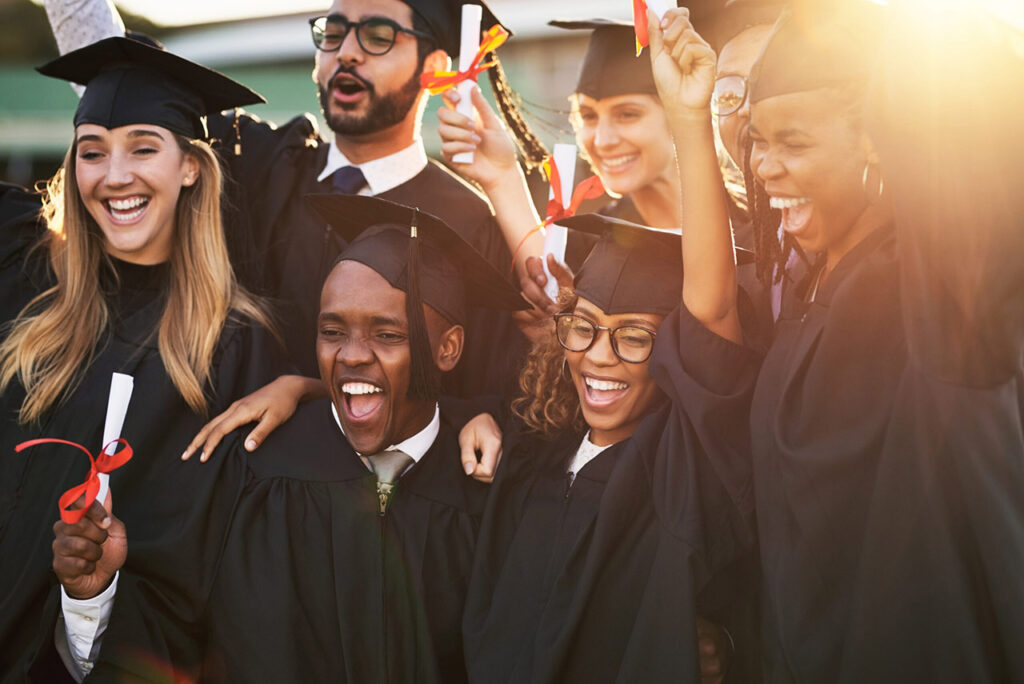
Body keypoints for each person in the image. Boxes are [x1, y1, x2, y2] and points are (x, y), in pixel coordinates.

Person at [659, 2, 1024, 681]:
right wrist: (686, 120)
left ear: (879, 142)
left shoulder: (921, 298)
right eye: (757, 141)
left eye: (793, 143)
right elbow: (713, 334)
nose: (764, 165)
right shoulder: (815, 288)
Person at [51, 194, 529, 682]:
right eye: (332, 331)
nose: (352, 356)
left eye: (388, 335)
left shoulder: (490, 493)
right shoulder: (250, 469)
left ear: (447, 349)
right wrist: (93, 596)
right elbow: (163, 637)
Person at [43, 0, 535, 399]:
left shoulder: (465, 220)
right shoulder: (258, 163)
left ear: (434, 68)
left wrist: (503, 178)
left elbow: (493, 388)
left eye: (378, 36)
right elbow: (130, 75)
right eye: (333, 32)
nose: (347, 52)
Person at [0, 37, 287, 680]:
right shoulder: (24, 283)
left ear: (190, 166)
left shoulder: (231, 348)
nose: (114, 175)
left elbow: (191, 581)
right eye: (93, 152)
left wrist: (88, 598)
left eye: (143, 147)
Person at [455, 211, 759, 683]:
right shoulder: (535, 450)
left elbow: (715, 329)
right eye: (582, 326)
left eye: (635, 337)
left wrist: (728, 642)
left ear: (676, 354)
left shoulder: (680, 477)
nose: (599, 354)